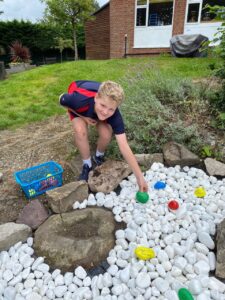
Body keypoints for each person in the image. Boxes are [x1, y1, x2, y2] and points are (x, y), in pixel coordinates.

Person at [59, 80, 148, 192]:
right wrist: (83, 117)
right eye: (103, 105)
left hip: (95, 107)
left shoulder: (114, 114)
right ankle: (87, 164)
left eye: (111, 109)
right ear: (96, 97)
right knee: (80, 130)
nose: (106, 112)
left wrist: (140, 177)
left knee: (106, 134)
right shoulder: (77, 100)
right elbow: (61, 100)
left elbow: (124, 145)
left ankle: (98, 156)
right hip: (81, 105)